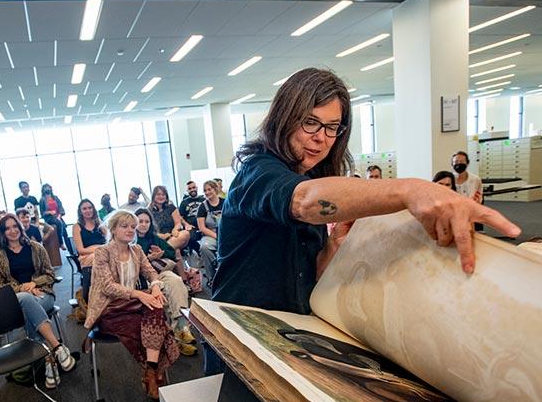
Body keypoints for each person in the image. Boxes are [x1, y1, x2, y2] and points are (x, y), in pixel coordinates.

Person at [212, 67, 519, 318]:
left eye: (333, 127)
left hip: (289, 331)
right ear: (284, 118)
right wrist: (409, 190)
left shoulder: (312, 175)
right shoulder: (257, 173)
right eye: (310, 123)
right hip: (241, 338)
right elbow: (304, 200)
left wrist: (334, 247)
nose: (321, 138)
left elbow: (308, 275)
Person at [84, 211, 180, 400]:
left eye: (132, 227)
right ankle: (154, 373)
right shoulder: (103, 252)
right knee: (154, 327)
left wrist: (155, 287)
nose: (130, 230)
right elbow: (108, 287)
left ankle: (150, 373)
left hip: (131, 305)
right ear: (113, 229)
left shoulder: (136, 250)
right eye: (124, 226)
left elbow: (151, 273)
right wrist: (138, 294)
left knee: (156, 304)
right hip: (109, 310)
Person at [0, 213, 76, 389]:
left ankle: (48, 359)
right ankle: (56, 347)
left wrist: (33, 283)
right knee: (26, 299)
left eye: (15, 226)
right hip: (16, 301)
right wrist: (22, 289)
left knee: (29, 306)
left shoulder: (36, 247)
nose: (12, 231)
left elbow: (50, 274)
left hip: (44, 295)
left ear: (21, 228)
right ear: (2, 232)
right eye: (7, 228)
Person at [135, 209, 197, 356]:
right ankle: (176, 336)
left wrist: (161, 254)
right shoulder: (131, 239)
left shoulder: (154, 237)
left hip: (159, 272)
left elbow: (171, 252)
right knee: (164, 290)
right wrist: (148, 258)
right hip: (140, 278)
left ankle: (182, 328)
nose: (144, 224)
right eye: (140, 221)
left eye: (147, 221)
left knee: (175, 281)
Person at [71, 198, 107, 302]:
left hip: (103, 254)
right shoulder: (77, 227)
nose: (88, 211)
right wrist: (98, 248)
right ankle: (89, 295)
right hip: (87, 256)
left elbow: (110, 241)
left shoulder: (99, 223)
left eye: (90, 208)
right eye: (84, 209)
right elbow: (80, 250)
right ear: (80, 211)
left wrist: (98, 249)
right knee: (94, 258)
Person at [197, 180, 225, 288]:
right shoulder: (203, 207)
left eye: (209, 189)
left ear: (215, 189)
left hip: (225, 233)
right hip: (210, 234)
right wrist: (217, 237)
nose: (207, 192)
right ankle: (212, 278)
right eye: (205, 190)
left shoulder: (225, 202)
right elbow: (202, 227)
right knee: (204, 247)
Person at [149, 185, 191, 253]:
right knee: (176, 251)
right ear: (153, 196)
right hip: (157, 239)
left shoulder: (171, 207)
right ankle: (166, 252)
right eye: (158, 194)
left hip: (172, 236)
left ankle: (163, 252)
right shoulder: (149, 211)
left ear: (166, 197)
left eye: (163, 194)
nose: (161, 197)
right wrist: (159, 235)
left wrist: (175, 229)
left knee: (185, 233)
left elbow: (178, 223)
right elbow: (148, 229)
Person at [39, 183, 69, 252]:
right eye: (45, 188)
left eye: (48, 187)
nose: (47, 189)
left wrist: (59, 216)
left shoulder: (55, 198)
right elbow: (42, 213)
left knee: (64, 228)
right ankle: (61, 243)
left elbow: (61, 209)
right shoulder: (42, 200)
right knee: (58, 223)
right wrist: (49, 212)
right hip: (49, 218)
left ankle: (71, 251)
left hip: (58, 217)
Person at [178, 180, 205, 254]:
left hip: (203, 224)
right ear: (187, 190)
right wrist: (186, 225)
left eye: (193, 187)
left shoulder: (204, 200)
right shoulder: (184, 202)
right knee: (189, 238)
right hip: (191, 226)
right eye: (190, 189)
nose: (192, 189)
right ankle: (200, 253)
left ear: (197, 188)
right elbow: (180, 217)